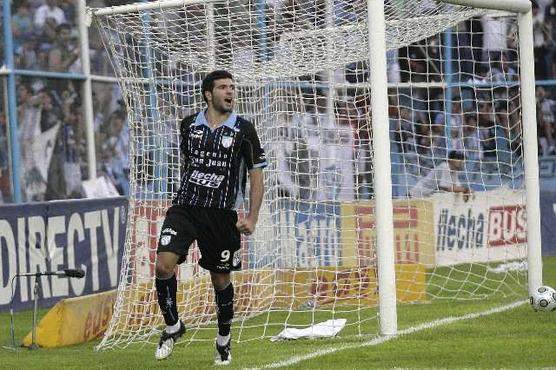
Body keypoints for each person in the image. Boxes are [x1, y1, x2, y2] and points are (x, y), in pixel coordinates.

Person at [154, 70, 267, 365]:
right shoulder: (188, 125)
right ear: (208, 94)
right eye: (223, 87)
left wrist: (252, 217)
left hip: (221, 214)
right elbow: (189, 164)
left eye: (232, 87)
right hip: (186, 207)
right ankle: (172, 326)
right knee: (163, 265)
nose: (230, 92)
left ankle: (223, 340)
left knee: (220, 280)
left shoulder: (244, 130)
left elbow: (257, 178)